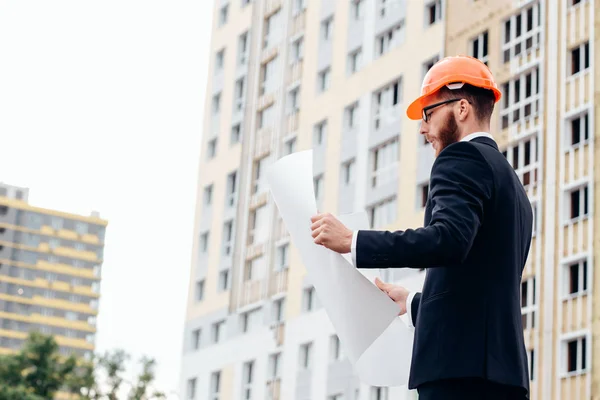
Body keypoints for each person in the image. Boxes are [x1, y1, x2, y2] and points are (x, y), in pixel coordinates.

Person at [310, 55, 532, 400]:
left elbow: (449, 239)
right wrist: (415, 303)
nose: (422, 128)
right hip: (503, 375)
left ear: (461, 108)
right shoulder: (512, 185)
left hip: (457, 373)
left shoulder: (460, 159)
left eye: (428, 114)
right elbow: (479, 280)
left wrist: (352, 241)